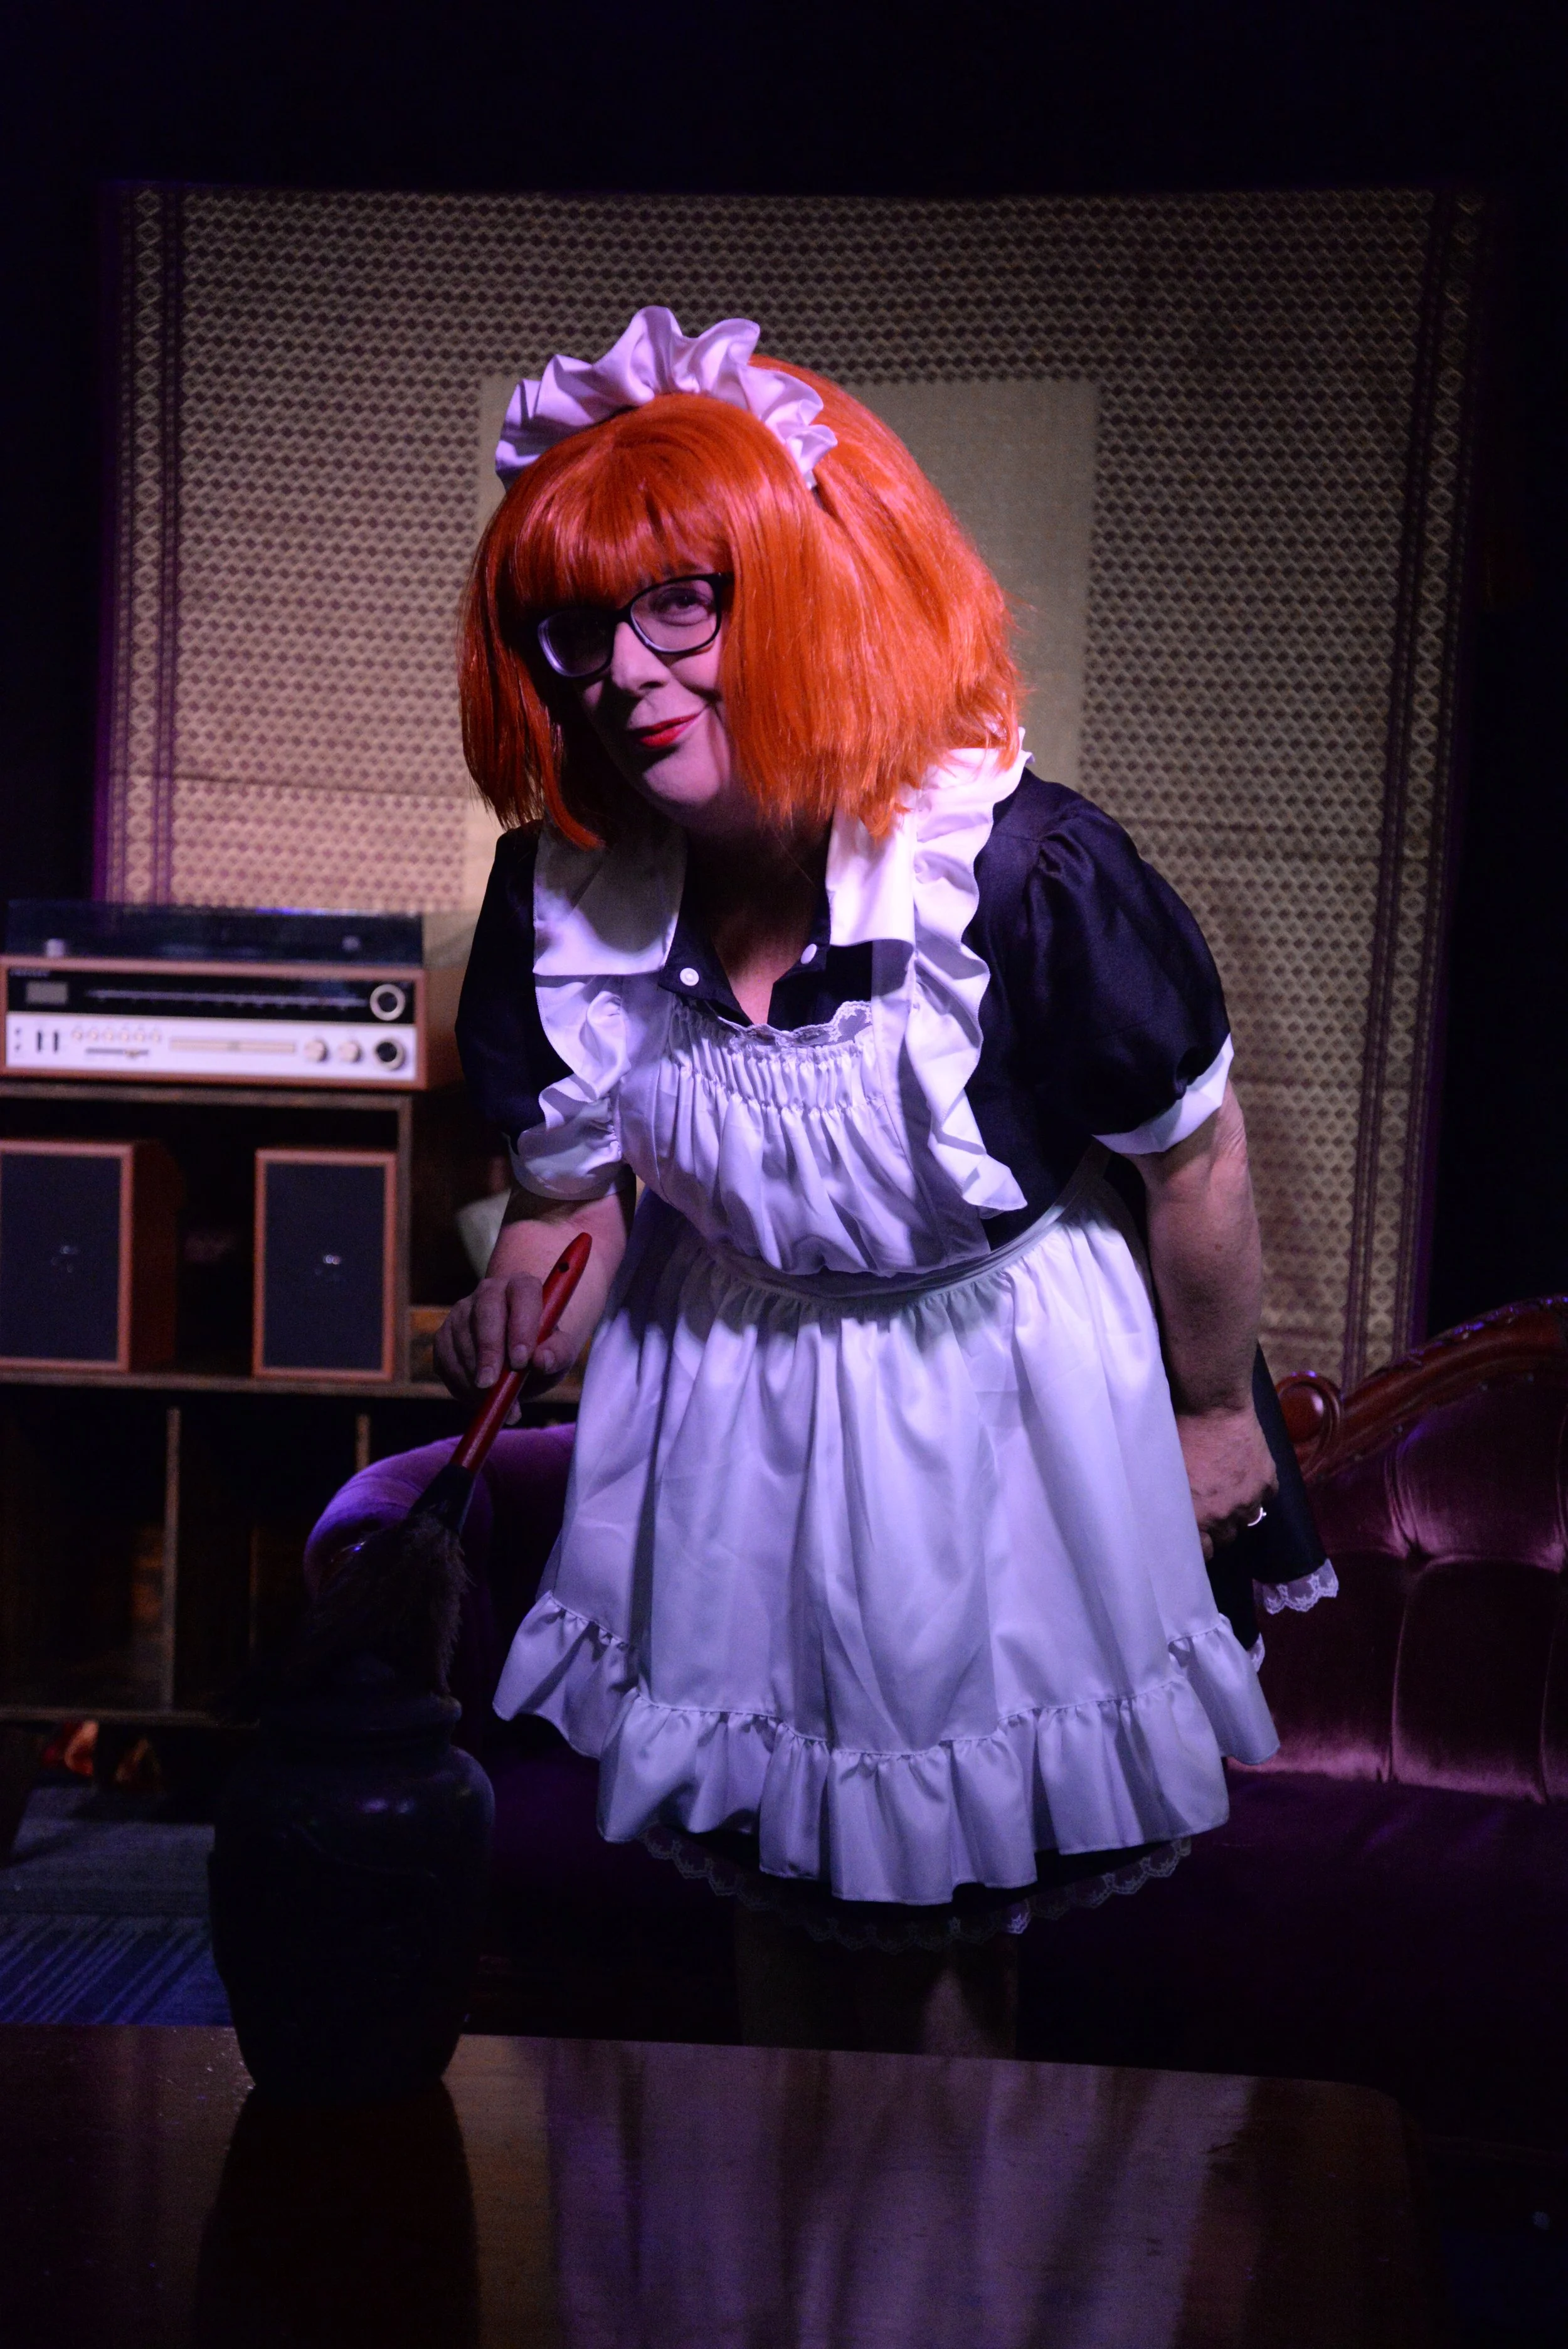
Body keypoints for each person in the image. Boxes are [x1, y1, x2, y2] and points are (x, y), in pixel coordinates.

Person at [438, 309, 1333, 2055]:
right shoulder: (563, 906)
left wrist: (1214, 1410)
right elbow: (575, 1205)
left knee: (949, 1919)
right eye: (576, 629)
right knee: (772, 1884)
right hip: (731, 1404)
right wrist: (531, 1290)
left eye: (678, 602)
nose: (623, 674)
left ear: (807, 591)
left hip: (989, 1391)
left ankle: (953, 2283)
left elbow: (1195, 1158)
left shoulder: (1014, 874)